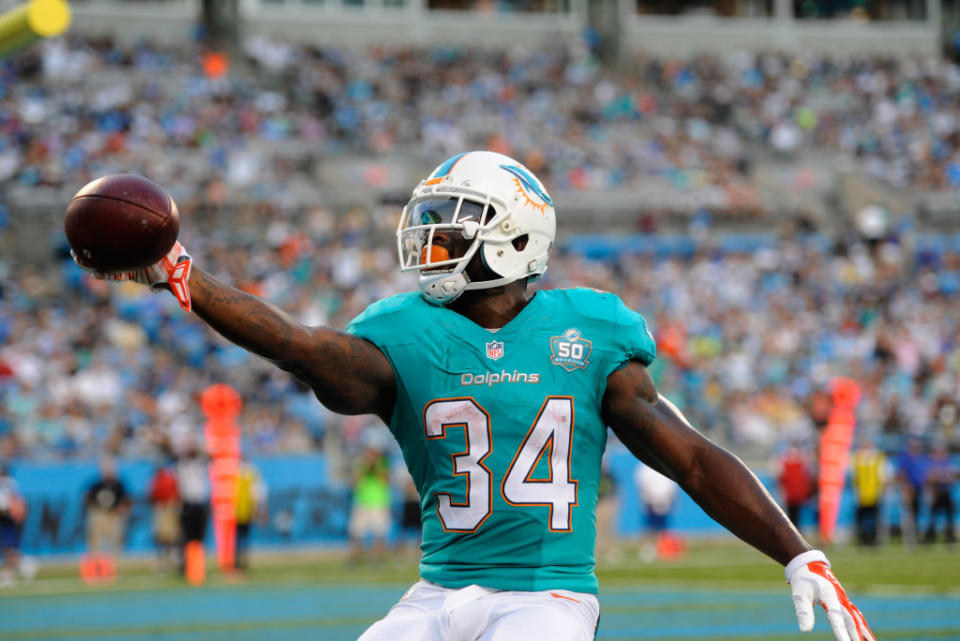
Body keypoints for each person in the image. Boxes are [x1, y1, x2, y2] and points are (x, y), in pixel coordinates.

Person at [76, 151, 873, 641]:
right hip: (437, 591)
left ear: (514, 237)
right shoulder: (406, 330)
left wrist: (796, 548)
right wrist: (186, 278)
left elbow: (694, 459)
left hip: (547, 599)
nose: (432, 240)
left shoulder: (587, 329)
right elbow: (299, 345)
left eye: (455, 224)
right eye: (431, 221)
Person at [348, 443, 391, 565]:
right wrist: (365, 469)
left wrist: (375, 468)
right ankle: (355, 558)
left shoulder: (382, 463)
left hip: (379, 502)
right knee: (356, 532)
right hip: (362, 502)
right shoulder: (360, 463)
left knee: (379, 533)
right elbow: (354, 482)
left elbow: (385, 481)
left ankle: (377, 558)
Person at [83, 456, 131, 556]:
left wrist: (121, 508)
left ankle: (115, 559)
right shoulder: (97, 484)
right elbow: (87, 497)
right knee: (95, 537)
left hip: (113, 514)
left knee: (115, 539)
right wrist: (93, 509)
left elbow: (126, 500)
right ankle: (95, 559)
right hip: (100, 513)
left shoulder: (118, 485)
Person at [634, 462, 679, 562]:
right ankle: (648, 548)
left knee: (663, 527)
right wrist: (649, 496)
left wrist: (671, 497)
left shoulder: (665, 466)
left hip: (664, 501)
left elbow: (671, 484)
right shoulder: (645, 468)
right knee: (650, 527)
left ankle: (662, 548)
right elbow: (642, 483)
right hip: (651, 501)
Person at [849, 437, 886, 546]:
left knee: (874, 519)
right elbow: (853, 476)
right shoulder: (856, 458)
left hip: (874, 494)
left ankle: (873, 539)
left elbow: (882, 476)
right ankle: (862, 539)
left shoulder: (878, 458)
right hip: (860, 495)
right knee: (861, 519)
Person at [234, 456, 267, 570]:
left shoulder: (245, 474)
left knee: (241, 539)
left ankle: (240, 562)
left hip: (242, 511)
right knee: (241, 539)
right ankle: (239, 562)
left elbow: (257, 492)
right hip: (241, 511)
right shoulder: (249, 473)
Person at [147, 461, 180, 571]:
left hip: (168, 508)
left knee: (172, 535)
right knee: (161, 536)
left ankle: (172, 559)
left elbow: (176, 493)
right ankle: (163, 561)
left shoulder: (168, 479)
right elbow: (151, 496)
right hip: (161, 508)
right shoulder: (155, 481)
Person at [895, 435, 928, 545]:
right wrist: (906, 488)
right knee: (908, 514)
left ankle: (916, 536)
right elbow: (901, 474)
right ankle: (909, 538)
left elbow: (923, 474)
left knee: (916, 513)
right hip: (909, 489)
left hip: (918, 488)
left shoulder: (920, 457)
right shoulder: (905, 458)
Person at [923, 441, 956, 544]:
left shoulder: (948, 463)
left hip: (946, 492)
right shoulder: (932, 463)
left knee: (949, 514)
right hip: (936, 492)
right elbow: (930, 479)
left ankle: (950, 536)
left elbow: (952, 478)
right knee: (933, 515)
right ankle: (930, 537)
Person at [777, 441, 815, 530]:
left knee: (797, 514)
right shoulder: (785, 464)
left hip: (798, 494)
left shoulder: (801, 464)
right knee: (791, 514)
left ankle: (796, 531)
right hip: (790, 495)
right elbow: (781, 480)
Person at [0, 465, 26, 588]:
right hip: (8, 516)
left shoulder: (8, 483)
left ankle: (12, 571)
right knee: (8, 546)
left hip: (7, 516)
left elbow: (9, 502)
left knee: (8, 546)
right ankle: (15, 569)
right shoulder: (10, 483)